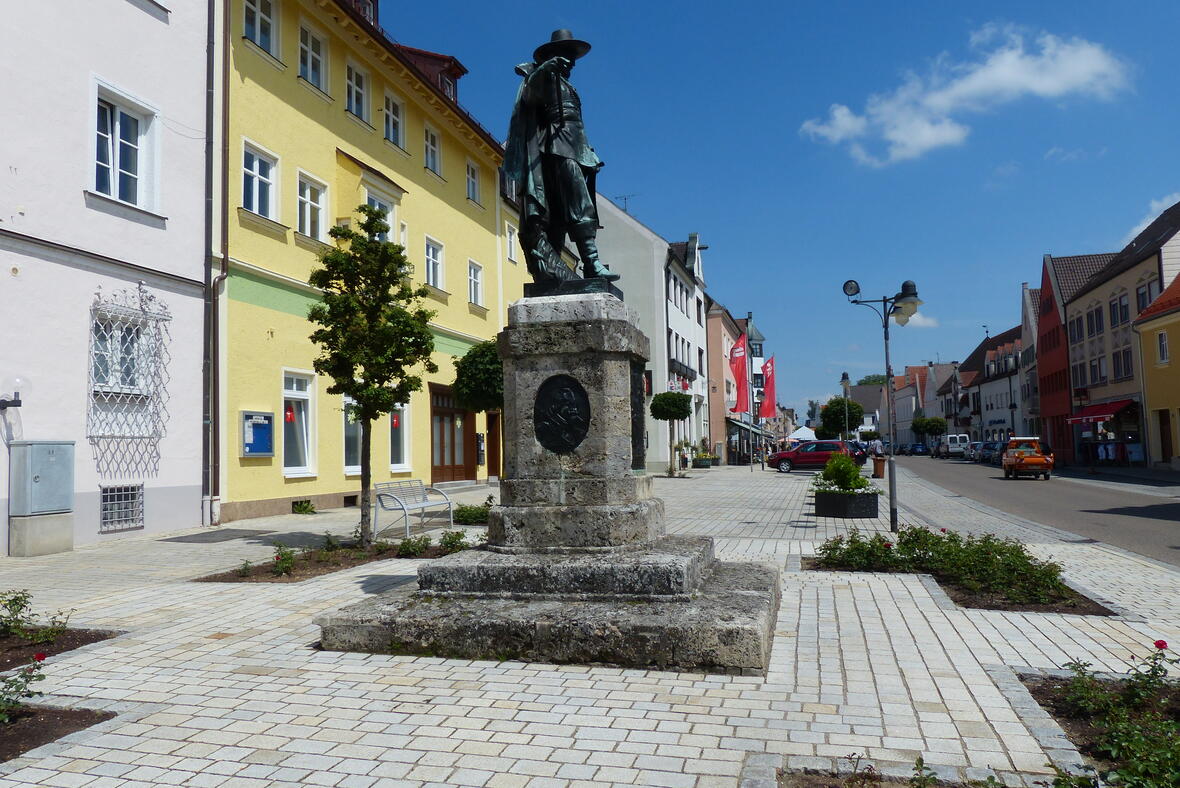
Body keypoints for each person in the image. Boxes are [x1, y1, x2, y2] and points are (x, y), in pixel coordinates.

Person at [504, 30, 619, 284]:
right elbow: (529, 96)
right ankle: (591, 262)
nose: (571, 62)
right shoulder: (541, 77)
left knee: (567, 206)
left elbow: (577, 125)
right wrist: (546, 69)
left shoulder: (569, 86)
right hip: (556, 147)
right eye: (566, 55)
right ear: (554, 56)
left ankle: (572, 263)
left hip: (575, 148)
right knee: (578, 203)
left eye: (572, 57)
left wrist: (587, 152)